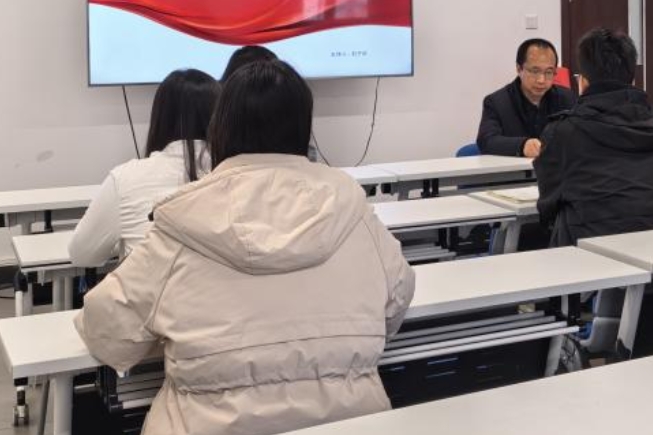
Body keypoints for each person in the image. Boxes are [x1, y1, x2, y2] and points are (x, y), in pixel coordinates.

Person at [76, 60, 415, 435]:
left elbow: (106, 333)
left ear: (220, 128)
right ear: (304, 128)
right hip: (353, 422)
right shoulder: (352, 208)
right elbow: (396, 303)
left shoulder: (184, 219)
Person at [534, 28, 653, 245]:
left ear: (583, 81)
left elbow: (548, 204)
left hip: (590, 250)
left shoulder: (563, 131)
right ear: (633, 80)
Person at [69, 70, 220, 268]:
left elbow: (82, 254)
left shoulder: (125, 178)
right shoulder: (240, 177)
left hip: (150, 287)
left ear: (160, 118)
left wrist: (125, 237)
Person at [477, 38, 576, 158]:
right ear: (519, 69)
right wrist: (522, 145)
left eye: (548, 72)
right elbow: (486, 141)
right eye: (534, 71)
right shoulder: (497, 102)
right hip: (515, 169)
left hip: (557, 168)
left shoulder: (567, 98)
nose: (541, 80)